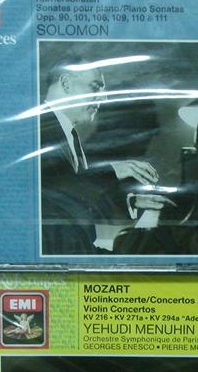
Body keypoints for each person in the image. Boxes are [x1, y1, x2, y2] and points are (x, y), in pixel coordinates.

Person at [39, 55, 174, 254]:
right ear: (66, 84)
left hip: (73, 246)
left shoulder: (66, 132)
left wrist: (132, 202)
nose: (103, 99)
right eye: (95, 88)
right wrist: (113, 170)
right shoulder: (39, 130)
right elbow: (57, 191)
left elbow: (77, 192)